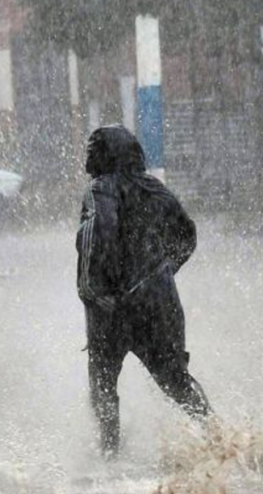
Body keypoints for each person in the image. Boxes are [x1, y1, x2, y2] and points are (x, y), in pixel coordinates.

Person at [76, 124, 212, 457]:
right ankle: (220, 439)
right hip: (159, 303)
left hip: (112, 308)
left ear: (102, 156)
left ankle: (109, 453)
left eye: (92, 149)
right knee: (177, 381)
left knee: (103, 384)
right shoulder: (155, 188)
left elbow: (101, 230)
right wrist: (161, 273)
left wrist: (91, 287)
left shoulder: (99, 189)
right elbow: (186, 235)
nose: (88, 156)